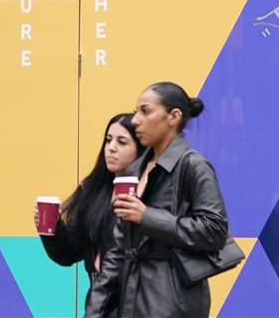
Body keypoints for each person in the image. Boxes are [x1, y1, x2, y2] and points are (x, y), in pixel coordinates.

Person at [86, 83, 230, 318]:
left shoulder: (193, 166)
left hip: (172, 303)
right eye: (136, 111)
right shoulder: (134, 170)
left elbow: (215, 230)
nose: (135, 120)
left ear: (173, 116)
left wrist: (147, 216)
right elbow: (118, 249)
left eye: (145, 111)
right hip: (130, 299)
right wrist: (94, 310)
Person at [39, 113, 139, 316]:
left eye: (122, 142)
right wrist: (53, 228)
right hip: (100, 305)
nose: (111, 148)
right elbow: (68, 253)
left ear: (141, 150)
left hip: (139, 305)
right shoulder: (92, 191)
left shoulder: (151, 193)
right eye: (108, 140)